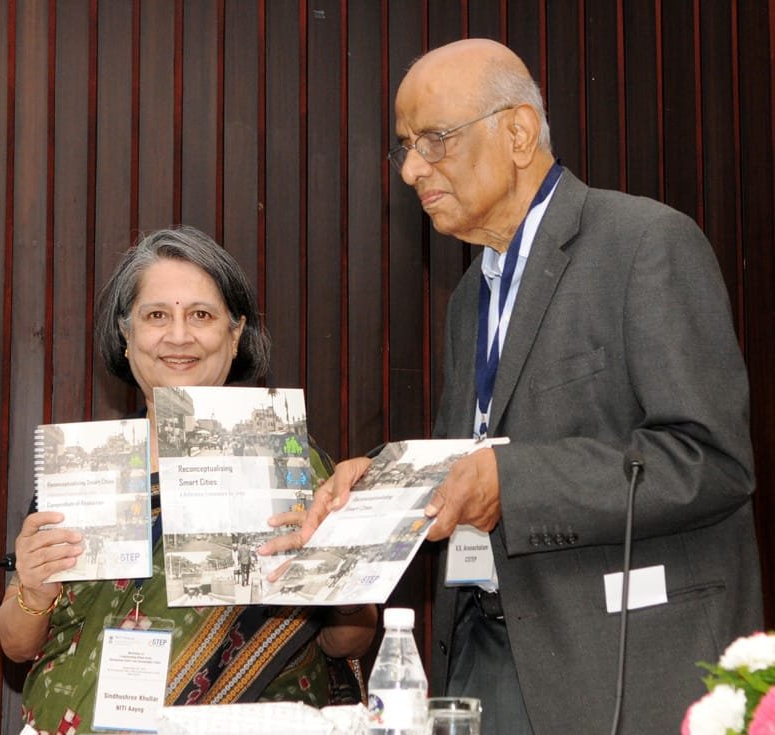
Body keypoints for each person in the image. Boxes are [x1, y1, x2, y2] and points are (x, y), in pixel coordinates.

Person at [263, 39, 763, 734]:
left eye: (433, 141)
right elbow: (472, 462)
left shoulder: (645, 243)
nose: (411, 169)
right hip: (484, 656)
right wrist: (376, 484)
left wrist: (512, 481)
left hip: (622, 665)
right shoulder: (471, 296)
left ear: (519, 132)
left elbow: (710, 459)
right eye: (405, 147)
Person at [0, 226, 377, 734]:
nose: (179, 336)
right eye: (157, 315)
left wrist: (334, 573)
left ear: (235, 334)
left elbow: (346, 641)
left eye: (201, 315)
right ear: (126, 336)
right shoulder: (84, 467)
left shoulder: (296, 468)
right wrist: (35, 593)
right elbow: (17, 645)